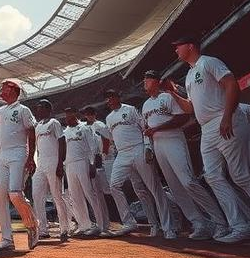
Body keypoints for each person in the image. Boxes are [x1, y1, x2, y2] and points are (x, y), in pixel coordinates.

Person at [165, 35, 250, 242]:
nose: (176, 50)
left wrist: (227, 116)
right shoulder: (189, 75)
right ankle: (241, 225)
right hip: (206, 128)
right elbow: (190, 108)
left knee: (240, 175)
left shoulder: (209, 62)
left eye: (178, 46)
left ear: (190, 46)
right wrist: (172, 93)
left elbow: (232, 84)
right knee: (212, 176)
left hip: (224, 119)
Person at [141, 70, 227, 240]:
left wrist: (158, 128)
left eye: (148, 79)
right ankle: (199, 223)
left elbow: (182, 118)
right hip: (158, 145)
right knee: (175, 187)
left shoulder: (168, 97)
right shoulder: (145, 105)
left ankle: (219, 221)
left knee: (188, 181)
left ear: (157, 81)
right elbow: (146, 129)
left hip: (174, 140)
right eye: (144, 80)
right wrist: (148, 148)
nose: (145, 82)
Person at [104, 88, 177, 238]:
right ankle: (137, 223)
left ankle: (168, 227)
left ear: (119, 97)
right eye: (107, 98)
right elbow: (113, 138)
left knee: (154, 187)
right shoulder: (109, 118)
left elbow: (144, 128)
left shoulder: (130, 110)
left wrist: (147, 147)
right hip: (122, 153)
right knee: (116, 186)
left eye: (112, 97)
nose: (109, 100)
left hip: (138, 148)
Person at [0, 79, 38, 252]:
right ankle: (6, 238)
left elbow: (31, 132)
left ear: (13, 90)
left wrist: (31, 157)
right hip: (2, 154)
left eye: (3, 88)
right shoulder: (1, 110)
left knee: (15, 194)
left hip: (19, 151)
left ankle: (32, 224)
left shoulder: (23, 110)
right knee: (0, 194)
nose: (1, 91)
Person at [62, 107, 109, 237]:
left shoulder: (84, 128)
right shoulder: (65, 132)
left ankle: (100, 225)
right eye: (66, 115)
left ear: (75, 114)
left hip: (83, 162)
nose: (67, 117)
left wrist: (92, 164)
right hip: (69, 165)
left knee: (90, 193)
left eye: (70, 114)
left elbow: (92, 148)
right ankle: (84, 225)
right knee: (75, 196)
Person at [31, 99, 70, 242]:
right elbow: (36, 148)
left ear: (47, 108)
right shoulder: (37, 126)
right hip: (40, 164)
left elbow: (61, 142)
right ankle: (42, 230)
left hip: (54, 162)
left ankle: (65, 228)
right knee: (36, 196)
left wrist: (61, 163)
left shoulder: (54, 123)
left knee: (57, 196)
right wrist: (33, 163)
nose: (38, 110)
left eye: (40, 107)